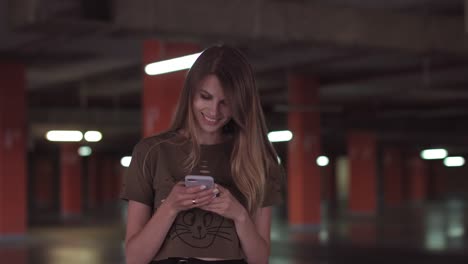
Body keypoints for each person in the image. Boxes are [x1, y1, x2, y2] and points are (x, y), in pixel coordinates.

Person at [121, 45, 284, 264]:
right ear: (190, 93)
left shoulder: (257, 159)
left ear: (241, 103)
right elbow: (134, 258)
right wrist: (170, 207)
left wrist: (239, 214)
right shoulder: (151, 152)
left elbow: (260, 259)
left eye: (226, 102)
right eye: (205, 97)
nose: (214, 111)